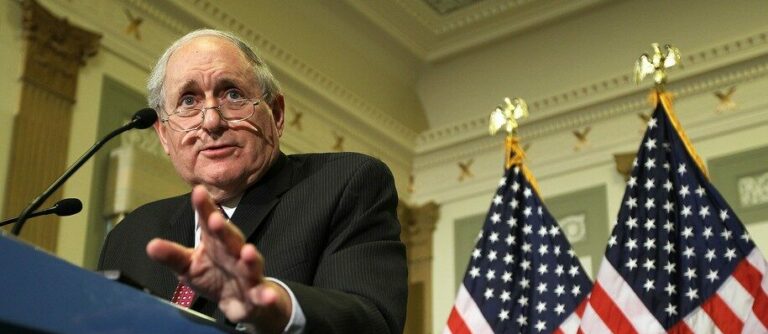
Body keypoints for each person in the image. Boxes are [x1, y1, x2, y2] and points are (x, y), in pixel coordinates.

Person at [98, 29, 407, 334]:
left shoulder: (344, 184)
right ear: (164, 135)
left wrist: (274, 306)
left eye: (233, 95)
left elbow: (373, 322)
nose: (211, 121)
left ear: (277, 113)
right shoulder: (130, 235)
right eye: (189, 101)